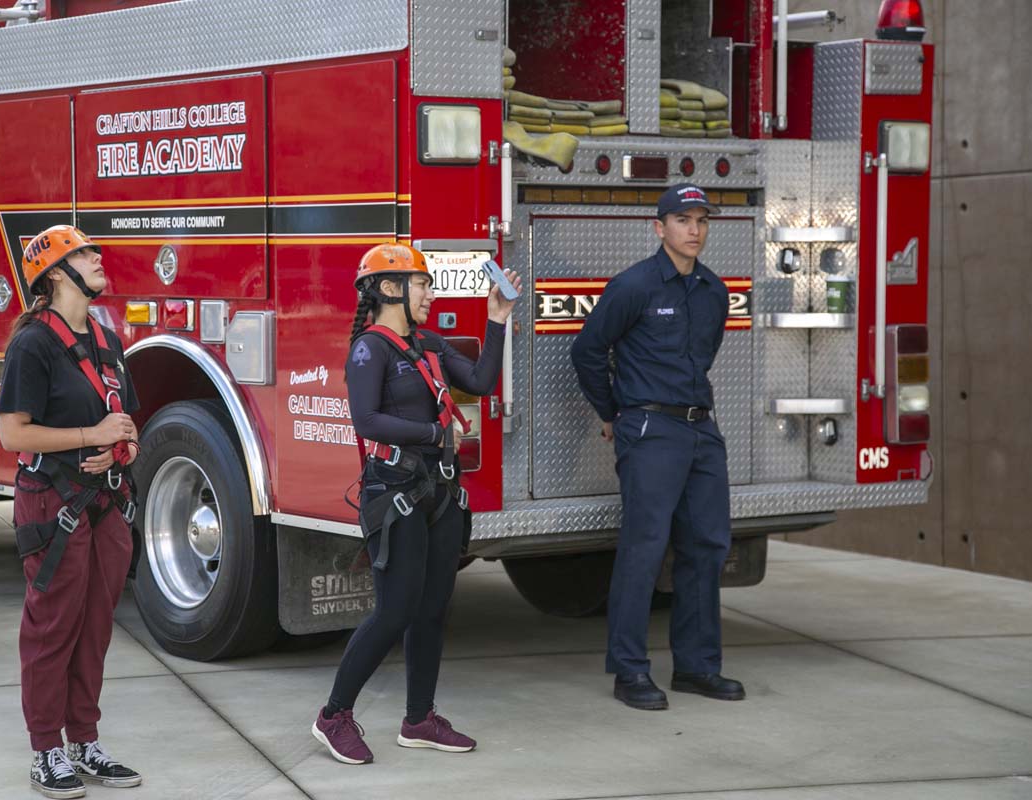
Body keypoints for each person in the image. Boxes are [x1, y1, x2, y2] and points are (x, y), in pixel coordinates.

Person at [312, 243, 520, 764]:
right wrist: (432, 429)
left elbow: (479, 381)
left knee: (432, 610)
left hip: (441, 491)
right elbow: (366, 420)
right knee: (395, 610)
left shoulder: (428, 343)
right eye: (422, 283)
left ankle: (419, 719)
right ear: (389, 289)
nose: (430, 292)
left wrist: (496, 320)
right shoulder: (369, 349)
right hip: (394, 493)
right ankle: (333, 715)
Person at [570, 184, 745, 711]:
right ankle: (630, 671)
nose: (694, 230)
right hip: (650, 431)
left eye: (702, 221)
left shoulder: (714, 290)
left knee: (708, 547)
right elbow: (587, 350)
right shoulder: (634, 286)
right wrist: (613, 413)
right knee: (644, 550)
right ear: (659, 227)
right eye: (683, 219)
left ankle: (696, 667)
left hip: (700, 432)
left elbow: (705, 354)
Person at [0, 225, 144, 797]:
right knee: (53, 626)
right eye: (84, 253)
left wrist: (118, 445)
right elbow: (13, 432)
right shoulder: (33, 343)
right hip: (52, 501)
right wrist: (89, 434)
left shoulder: (105, 338)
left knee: (95, 627)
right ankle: (45, 752)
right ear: (57, 274)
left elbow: (124, 417)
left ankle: (84, 741)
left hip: (105, 501)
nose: (97, 258)